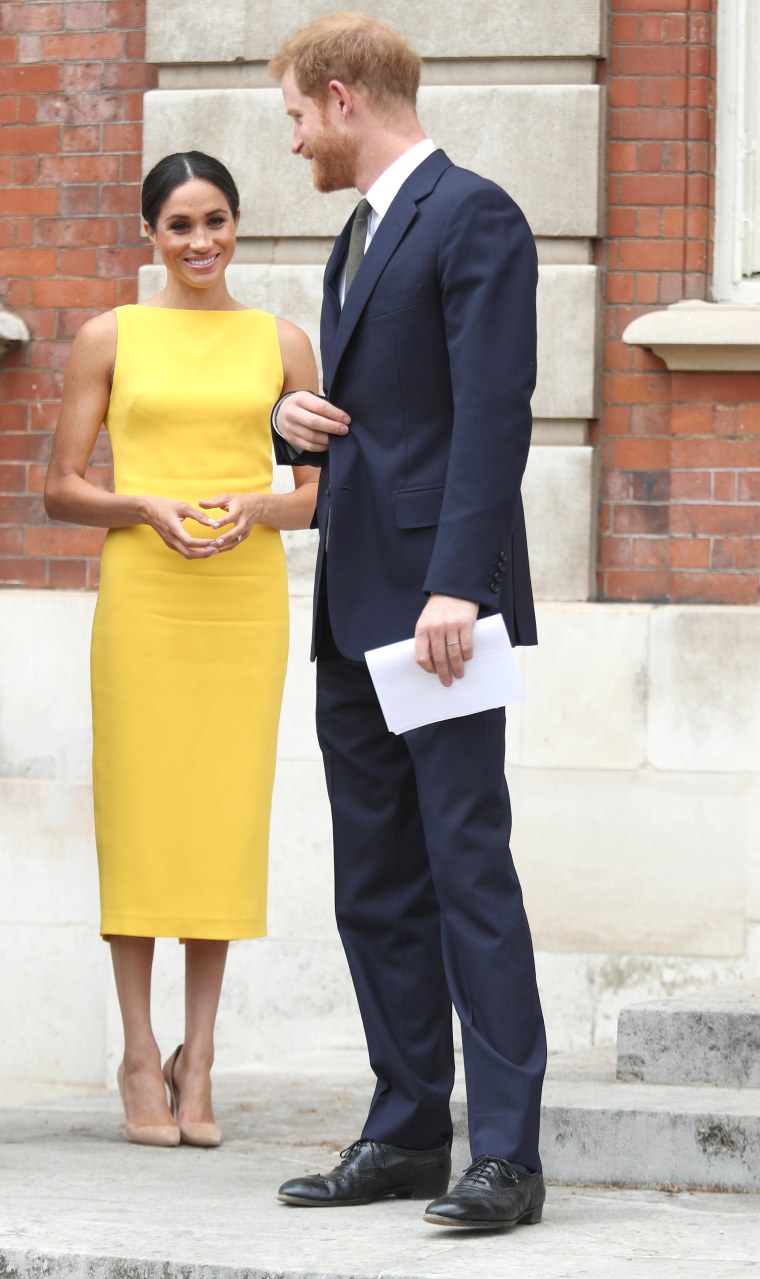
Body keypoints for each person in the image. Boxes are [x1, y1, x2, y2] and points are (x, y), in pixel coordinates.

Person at [267, 12, 547, 1231]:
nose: (291, 145)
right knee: (373, 884)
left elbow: (494, 413)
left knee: (465, 869)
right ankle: (404, 1129)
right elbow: (391, 414)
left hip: (436, 607)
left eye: (292, 118)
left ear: (340, 99)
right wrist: (303, 426)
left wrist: (459, 582)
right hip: (350, 603)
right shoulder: (358, 235)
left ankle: (508, 1156)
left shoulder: (474, 213)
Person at [44, 151, 319, 1149]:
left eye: (216, 221)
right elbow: (59, 485)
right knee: (145, 820)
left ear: (237, 225)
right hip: (147, 596)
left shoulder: (284, 343)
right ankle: (136, 1050)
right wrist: (142, 504)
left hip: (241, 602)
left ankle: (199, 1060)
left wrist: (256, 505)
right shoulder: (109, 335)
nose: (200, 242)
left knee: (218, 820)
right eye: (179, 225)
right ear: (150, 234)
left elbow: (316, 494)